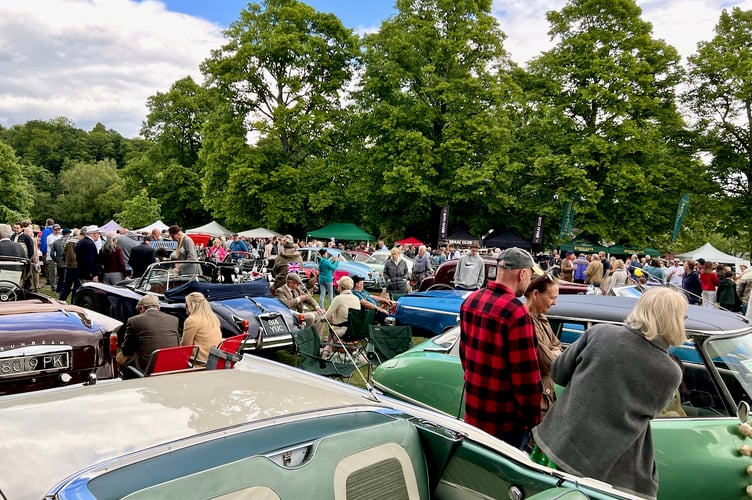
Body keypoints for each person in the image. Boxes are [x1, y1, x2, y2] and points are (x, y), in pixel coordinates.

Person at [532, 287, 687, 498]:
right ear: (676, 320)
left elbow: (558, 373)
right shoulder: (671, 372)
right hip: (610, 470)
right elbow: (651, 412)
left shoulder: (600, 333)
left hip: (557, 444)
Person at [459, 247, 541, 449]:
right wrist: (535, 422)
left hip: (474, 412)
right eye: (530, 275)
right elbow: (526, 378)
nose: (529, 281)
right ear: (522, 274)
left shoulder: (471, 301)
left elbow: (464, 356)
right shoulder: (516, 312)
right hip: (506, 423)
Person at [524, 273, 561, 416]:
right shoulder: (526, 322)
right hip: (537, 403)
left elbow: (557, 346)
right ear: (535, 294)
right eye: (552, 298)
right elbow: (551, 364)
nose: (555, 303)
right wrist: (555, 352)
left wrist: (554, 351)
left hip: (546, 398)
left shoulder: (542, 318)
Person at [117, 294, 179, 378]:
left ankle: (129, 381)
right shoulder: (174, 319)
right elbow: (177, 344)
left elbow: (126, 349)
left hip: (148, 367)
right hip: (172, 364)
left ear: (142, 308)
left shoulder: (134, 321)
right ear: (158, 307)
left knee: (119, 357)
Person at [315, 276, 360, 347]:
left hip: (343, 331)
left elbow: (326, 316)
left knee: (330, 325)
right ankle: (327, 347)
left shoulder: (338, 298)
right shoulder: (356, 298)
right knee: (332, 326)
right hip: (356, 330)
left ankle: (327, 349)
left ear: (341, 287)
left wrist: (321, 317)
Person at [182, 291, 223, 365]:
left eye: (186, 305)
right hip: (215, 359)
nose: (186, 308)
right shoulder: (213, 318)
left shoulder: (192, 320)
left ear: (192, 305)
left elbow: (185, 346)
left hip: (199, 362)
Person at [49, 228, 70, 293]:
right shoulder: (70, 242)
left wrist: (55, 260)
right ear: (68, 234)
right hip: (68, 262)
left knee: (60, 276)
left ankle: (59, 289)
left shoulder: (56, 242)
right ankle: (65, 289)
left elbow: (51, 253)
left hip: (59, 262)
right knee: (67, 277)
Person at [44, 224, 62, 290]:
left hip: (59, 257)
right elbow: (51, 245)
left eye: (58, 229)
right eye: (55, 230)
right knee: (53, 272)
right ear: (53, 230)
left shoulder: (61, 236)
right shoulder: (49, 237)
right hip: (51, 257)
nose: (57, 231)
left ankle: (59, 285)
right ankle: (53, 286)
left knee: (59, 272)